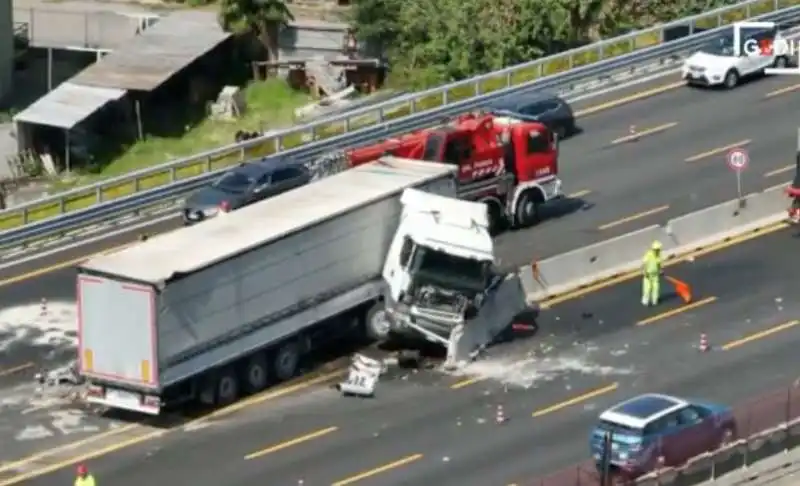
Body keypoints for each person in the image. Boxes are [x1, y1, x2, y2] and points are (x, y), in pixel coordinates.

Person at [641, 241, 663, 307]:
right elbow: (645, 264)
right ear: (654, 249)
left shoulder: (659, 255)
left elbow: (659, 264)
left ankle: (654, 300)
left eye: (658, 249)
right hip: (648, 274)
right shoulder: (649, 255)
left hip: (655, 275)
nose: (658, 250)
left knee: (656, 287)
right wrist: (645, 272)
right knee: (647, 288)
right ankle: (645, 300)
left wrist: (660, 270)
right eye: (657, 249)